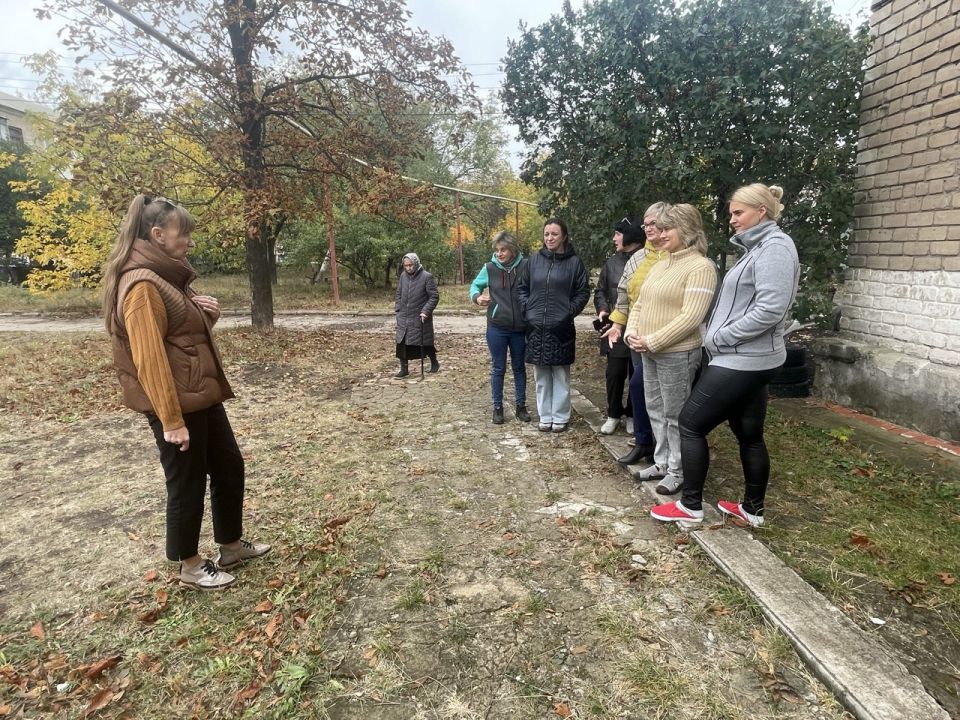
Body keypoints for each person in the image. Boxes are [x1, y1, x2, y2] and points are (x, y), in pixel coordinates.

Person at [103, 194, 270, 591]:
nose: (190, 241)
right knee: (187, 482)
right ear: (158, 235)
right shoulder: (141, 284)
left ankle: (230, 545)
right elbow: (149, 359)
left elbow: (180, 341)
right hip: (176, 403)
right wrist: (171, 420)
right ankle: (190, 565)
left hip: (199, 395)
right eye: (184, 234)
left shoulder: (166, 277)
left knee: (229, 467)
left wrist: (204, 316)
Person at [651, 184, 799, 528]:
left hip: (743, 358)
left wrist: (721, 336)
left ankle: (689, 507)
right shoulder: (759, 247)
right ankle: (752, 510)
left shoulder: (775, 248)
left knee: (690, 422)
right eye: (731, 213)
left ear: (761, 211)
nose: (731, 219)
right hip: (749, 358)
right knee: (748, 432)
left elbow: (771, 309)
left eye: (738, 213)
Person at [624, 204, 717, 495]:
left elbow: (691, 317)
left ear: (686, 230)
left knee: (675, 413)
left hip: (676, 352)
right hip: (647, 349)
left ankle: (678, 470)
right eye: (658, 229)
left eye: (666, 229)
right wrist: (631, 332)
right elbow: (640, 302)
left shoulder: (701, 267)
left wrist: (652, 341)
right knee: (655, 407)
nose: (658, 235)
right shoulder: (662, 262)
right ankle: (662, 461)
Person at [603, 202, 670, 464]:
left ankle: (663, 449)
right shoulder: (639, 258)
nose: (649, 228)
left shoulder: (675, 255)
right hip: (636, 336)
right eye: (646, 224)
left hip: (667, 338)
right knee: (640, 387)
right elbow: (624, 295)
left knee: (660, 394)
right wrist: (617, 324)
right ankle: (643, 442)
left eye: (655, 223)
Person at [517, 218, 590, 433]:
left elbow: (583, 291)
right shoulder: (533, 261)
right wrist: (527, 310)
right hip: (536, 326)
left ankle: (560, 416)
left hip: (561, 328)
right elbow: (522, 288)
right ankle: (545, 415)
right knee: (541, 376)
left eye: (554, 234)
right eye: (546, 234)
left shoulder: (574, 262)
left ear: (564, 236)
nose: (549, 238)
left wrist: (568, 312)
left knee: (560, 374)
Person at [469, 231, 530, 424]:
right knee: (498, 368)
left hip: (520, 327)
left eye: (503, 250)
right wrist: (477, 297)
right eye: (496, 250)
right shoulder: (489, 268)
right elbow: (474, 286)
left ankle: (521, 406)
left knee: (519, 367)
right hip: (497, 327)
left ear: (512, 249)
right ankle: (497, 407)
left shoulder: (525, 266)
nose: (499, 254)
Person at [594, 218, 644, 434]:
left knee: (637, 375)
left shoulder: (649, 260)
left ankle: (633, 415)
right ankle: (613, 414)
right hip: (616, 327)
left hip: (640, 328)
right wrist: (603, 309)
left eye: (618, 233)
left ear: (630, 235)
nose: (614, 238)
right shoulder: (612, 262)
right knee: (614, 374)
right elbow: (600, 290)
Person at [394, 252, 440, 378]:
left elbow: (434, 296)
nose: (408, 268)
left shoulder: (426, 277)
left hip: (420, 315)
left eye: (410, 265)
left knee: (425, 342)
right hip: (404, 315)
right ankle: (404, 369)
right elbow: (398, 293)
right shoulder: (403, 276)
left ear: (416, 263)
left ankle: (434, 362)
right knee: (401, 342)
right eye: (406, 265)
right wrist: (398, 308)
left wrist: (425, 311)